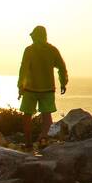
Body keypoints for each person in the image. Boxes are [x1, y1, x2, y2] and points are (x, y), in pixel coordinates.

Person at [18, 25, 68, 153]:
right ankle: (43, 138)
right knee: (47, 116)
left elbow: (23, 69)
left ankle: (28, 143)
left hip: (30, 88)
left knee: (27, 116)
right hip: (48, 89)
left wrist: (20, 86)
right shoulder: (52, 50)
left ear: (35, 36)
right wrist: (63, 82)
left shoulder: (29, 50)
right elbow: (61, 67)